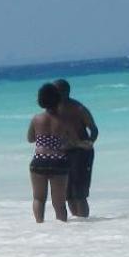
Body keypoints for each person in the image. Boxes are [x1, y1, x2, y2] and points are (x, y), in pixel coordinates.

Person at [27, 82, 85, 223]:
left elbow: (30, 139)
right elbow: (73, 140)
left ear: (41, 100)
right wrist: (84, 144)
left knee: (38, 198)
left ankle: (40, 227)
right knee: (59, 203)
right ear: (58, 99)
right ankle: (62, 233)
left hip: (39, 160)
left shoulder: (36, 119)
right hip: (58, 161)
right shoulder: (64, 120)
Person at [52, 78, 98, 217]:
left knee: (79, 194)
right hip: (62, 153)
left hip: (80, 153)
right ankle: (78, 226)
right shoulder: (53, 110)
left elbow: (93, 129)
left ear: (65, 92)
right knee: (68, 194)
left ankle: (84, 223)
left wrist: (89, 142)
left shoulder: (78, 108)